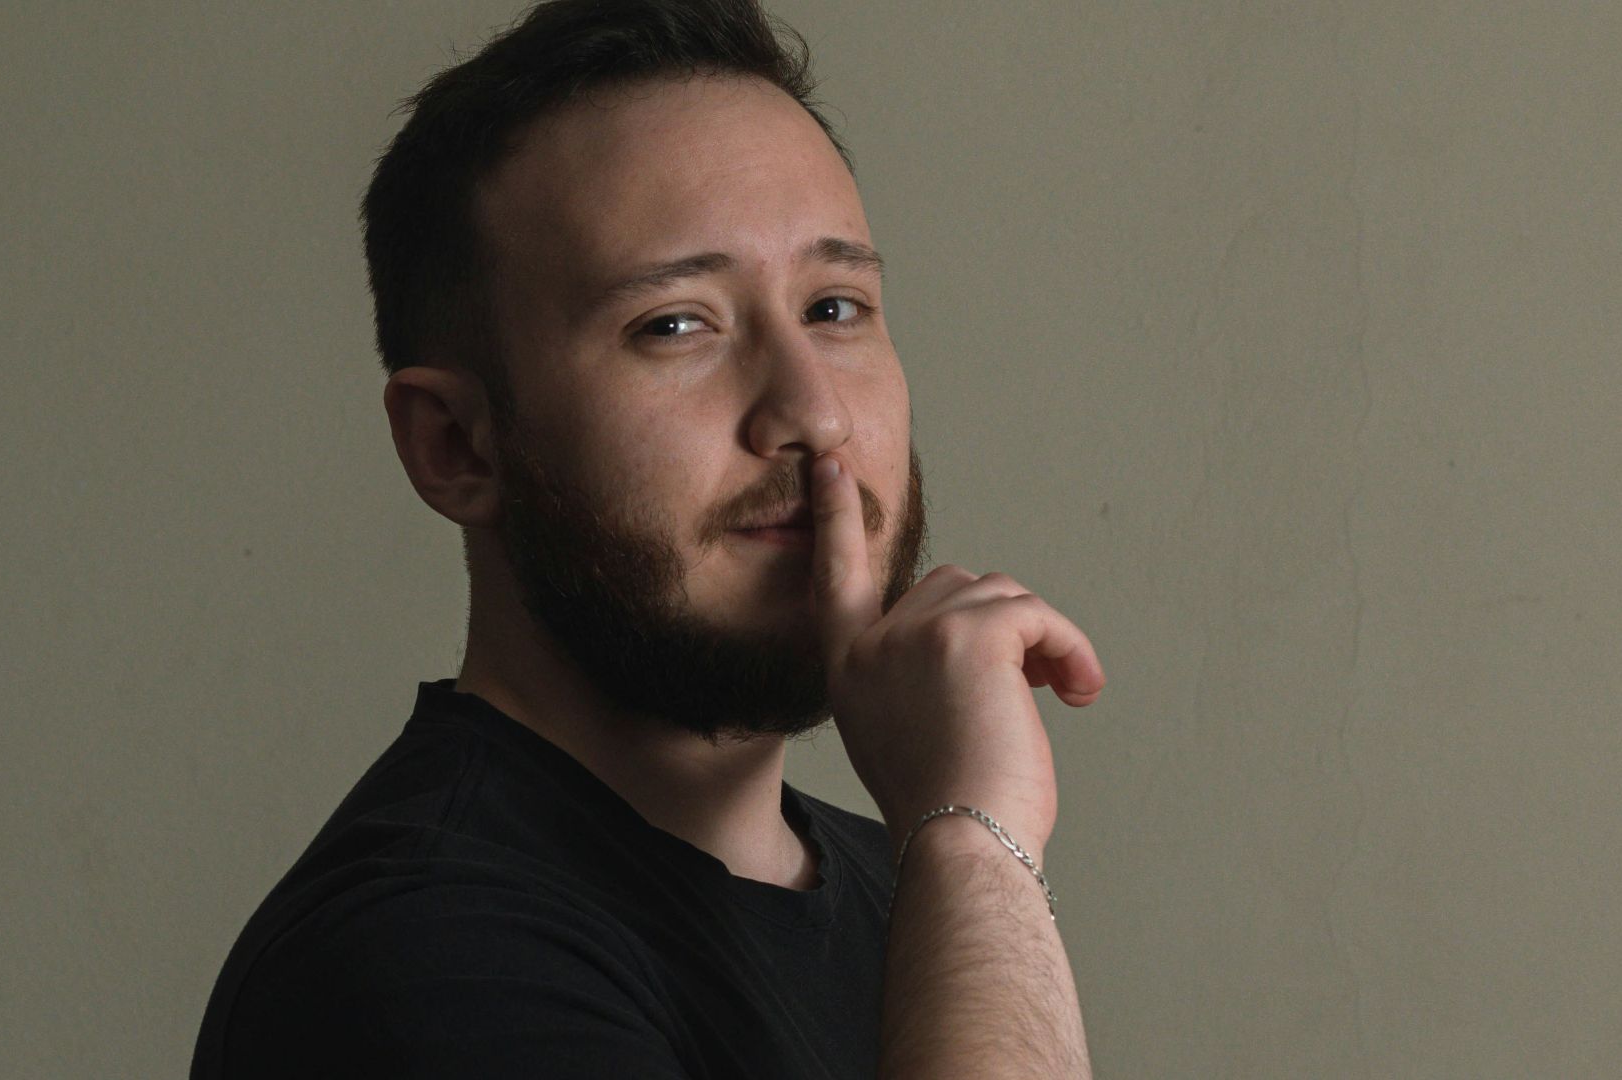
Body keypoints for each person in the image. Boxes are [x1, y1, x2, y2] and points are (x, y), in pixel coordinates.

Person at [191, 0, 1107, 1076]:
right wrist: (971, 837)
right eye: (675, 325)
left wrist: (954, 853)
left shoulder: (901, 883)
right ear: (456, 447)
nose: (813, 416)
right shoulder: (425, 955)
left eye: (835, 307)